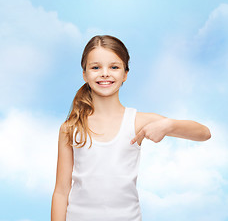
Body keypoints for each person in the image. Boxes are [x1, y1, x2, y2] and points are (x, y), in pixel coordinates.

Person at [51, 35, 211, 221]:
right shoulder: (71, 128)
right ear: (84, 74)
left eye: (114, 67)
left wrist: (169, 125)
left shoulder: (137, 121)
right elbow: (61, 191)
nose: (104, 73)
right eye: (95, 67)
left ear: (125, 74)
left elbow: (204, 133)